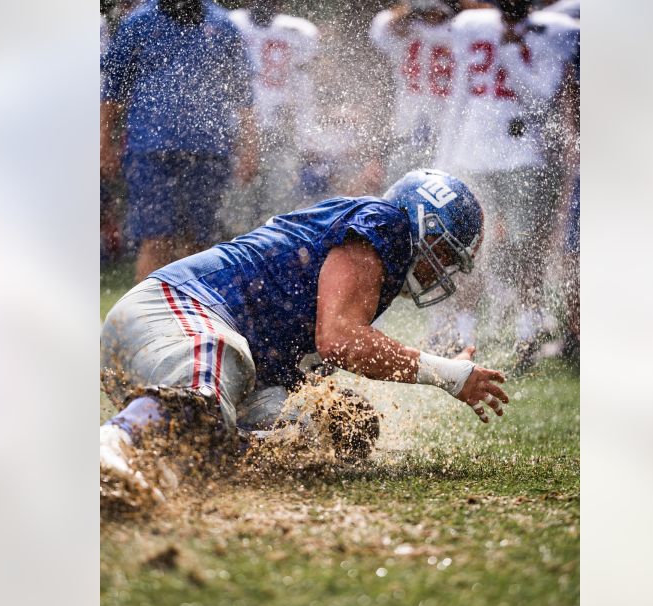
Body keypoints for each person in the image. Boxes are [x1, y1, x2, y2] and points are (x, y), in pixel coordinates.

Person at [100, 169, 511, 505]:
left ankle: (153, 464)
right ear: (422, 222)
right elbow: (340, 339)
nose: (441, 269)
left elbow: (310, 350)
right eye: (443, 252)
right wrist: (447, 374)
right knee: (208, 391)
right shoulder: (386, 223)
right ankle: (112, 447)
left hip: (194, 348)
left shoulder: (376, 259)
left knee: (315, 435)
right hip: (178, 310)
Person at [428, 0, 579, 370]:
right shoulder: (473, 25)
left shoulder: (552, 31)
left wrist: (510, 49)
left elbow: (540, 99)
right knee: (468, 249)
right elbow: (460, 95)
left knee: (528, 249)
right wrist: (444, 157)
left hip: (523, 156)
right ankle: (465, 336)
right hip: (473, 154)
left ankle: (527, 334)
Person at [100, 0, 260, 282]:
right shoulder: (137, 23)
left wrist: (250, 147)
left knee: (200, 245)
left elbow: (243, 93)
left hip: (209, 151)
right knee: (156, 240)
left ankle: (193, 320)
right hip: (151, 150)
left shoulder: (222, 24)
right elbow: (112, 93)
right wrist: (104, 146)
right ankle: (144, 321)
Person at [223, 0, 321, 236]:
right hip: (238, 130)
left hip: (280, 131)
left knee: (278, 209)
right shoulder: (231, 23)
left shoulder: (298, 31)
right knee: (237, 211)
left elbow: (306, 83)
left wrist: (304, 130)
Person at [368, 1, 459, 184]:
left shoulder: (458, 28)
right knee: (401, 174)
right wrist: (414, 7)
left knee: (442, 179)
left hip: (446, 117)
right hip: (409, 115)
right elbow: (379, 27)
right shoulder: (406, 27)